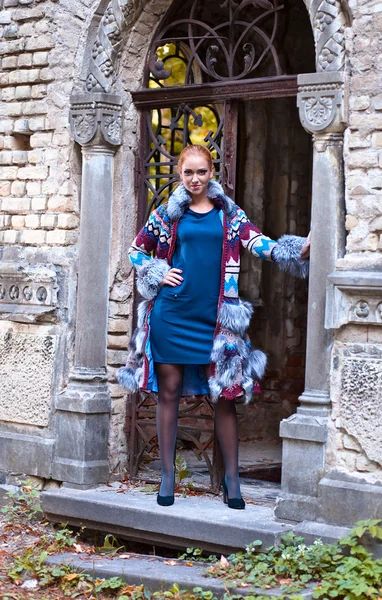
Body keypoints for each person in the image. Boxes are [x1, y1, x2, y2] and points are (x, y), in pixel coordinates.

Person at [118, 145, 310, 509]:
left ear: (211, 172)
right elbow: (136, 250)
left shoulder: (228, 214)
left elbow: (257, 242)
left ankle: (232, 481)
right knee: (169, 394)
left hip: (217, 320)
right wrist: (159, 272)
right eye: (188, 173)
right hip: (172, 314)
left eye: (201, 172)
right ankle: (168, 476)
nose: (195, 179)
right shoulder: (168, 215)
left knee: (224, 397)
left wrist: (297, 249)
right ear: (180, 174)